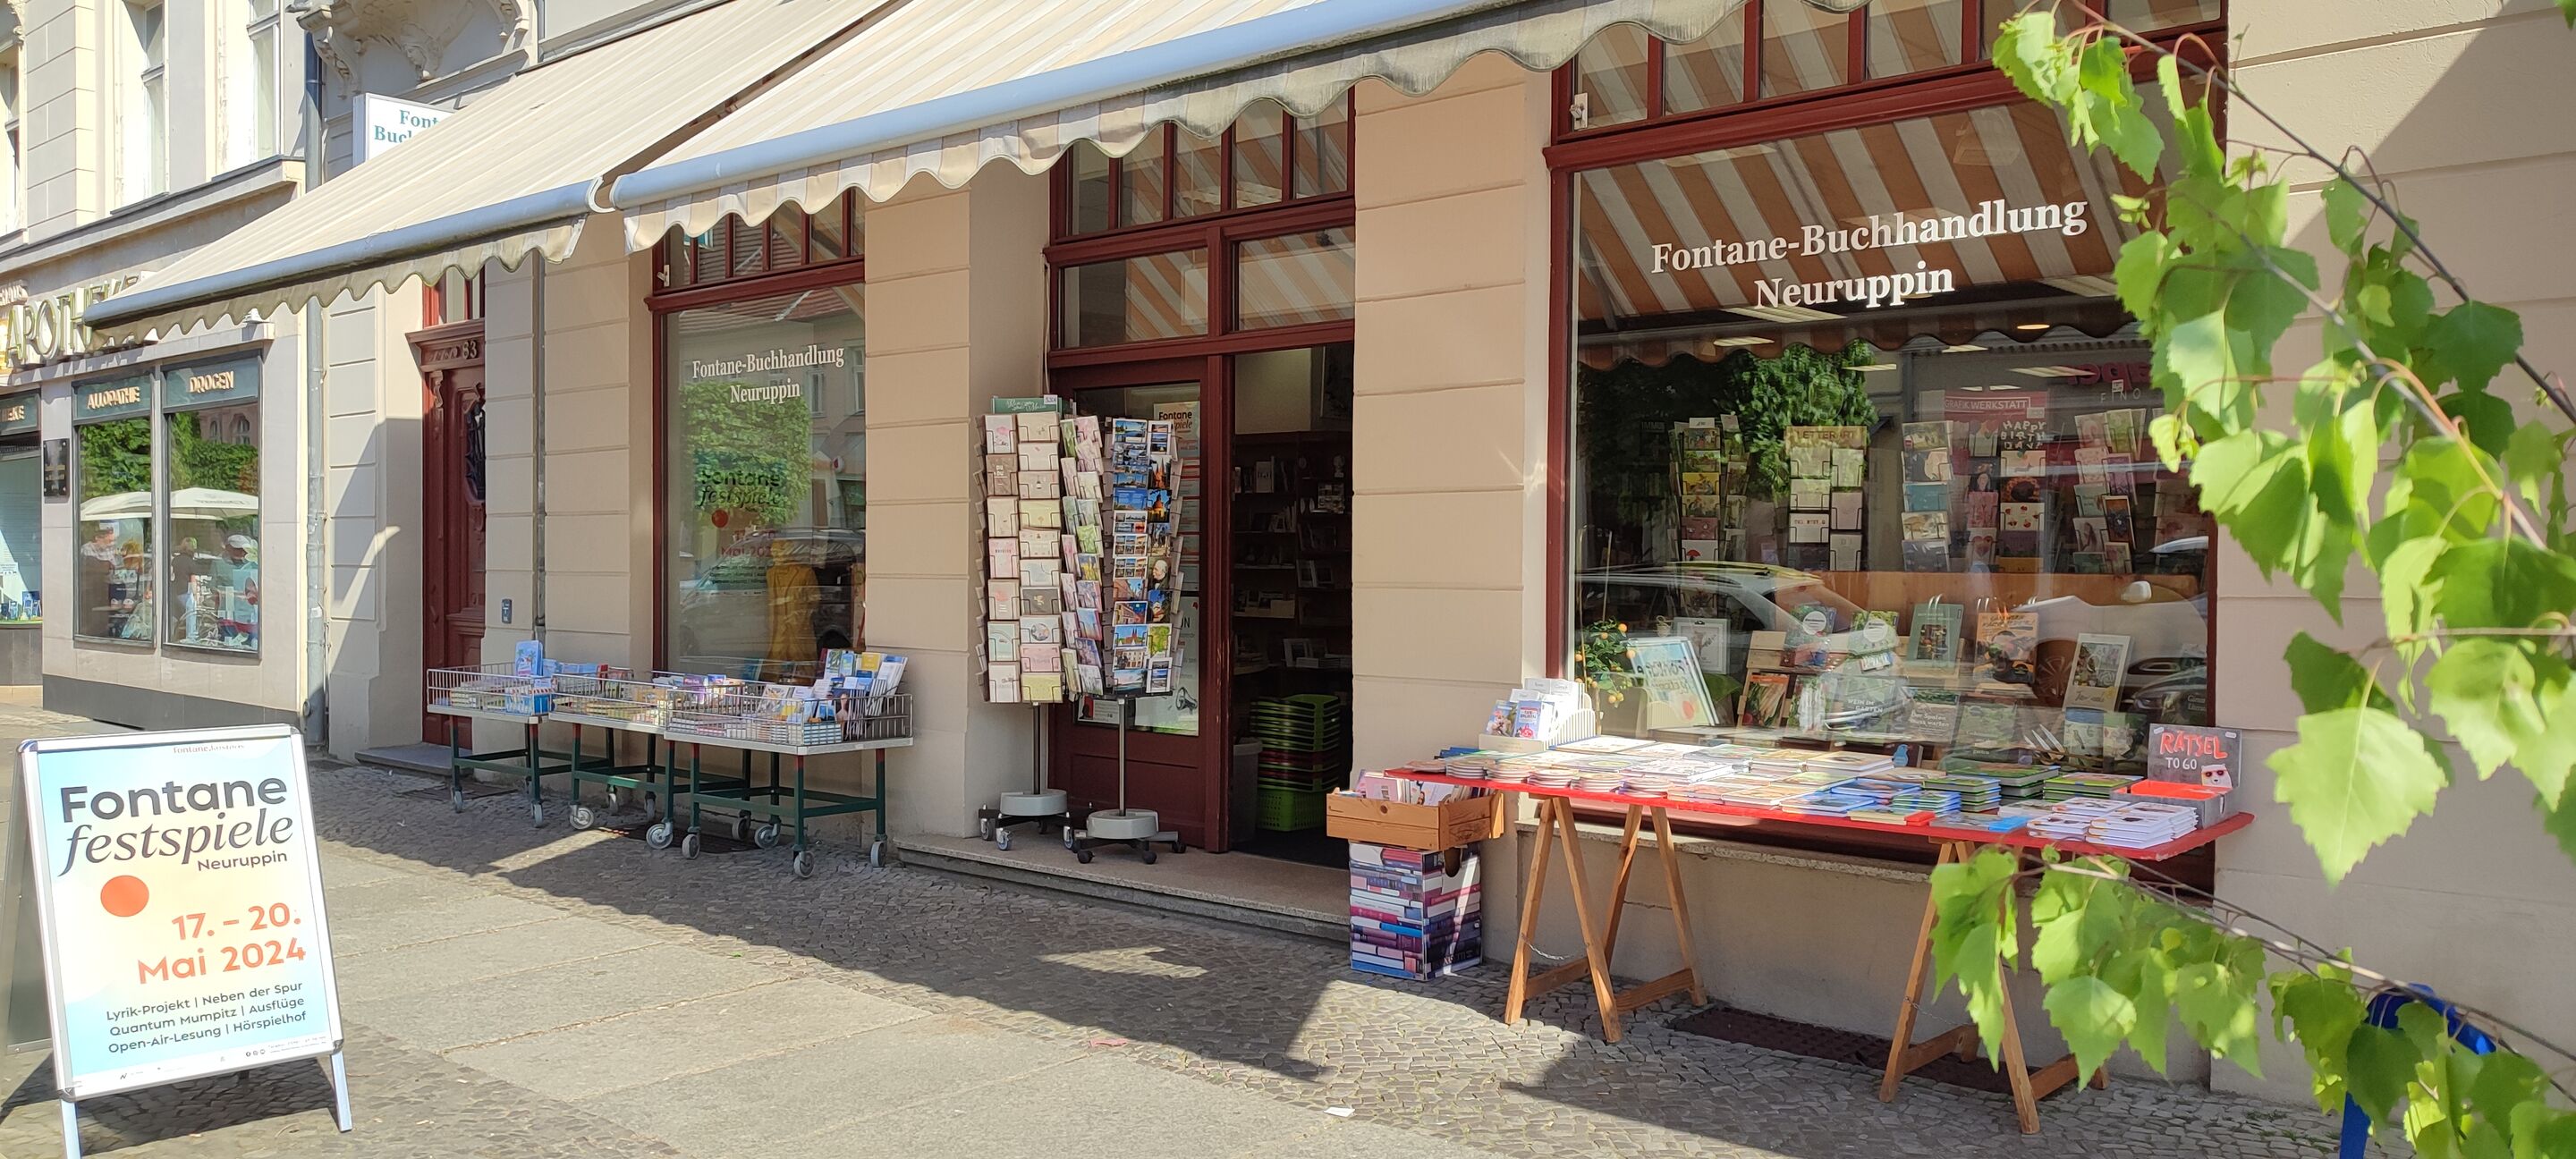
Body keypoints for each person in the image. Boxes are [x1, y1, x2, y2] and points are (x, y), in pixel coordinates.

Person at [216, 535, 259, 647]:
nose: (241, 553)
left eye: (243, 550)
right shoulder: (219, 564)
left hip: (249, 612)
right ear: (228, 548)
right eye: (237, 549)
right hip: (228, 612)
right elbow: (214, 588)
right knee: (229, 640)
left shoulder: (251, 565)